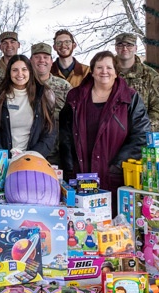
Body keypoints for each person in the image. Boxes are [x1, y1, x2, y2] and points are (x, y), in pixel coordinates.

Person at [58, 51, 149, 210]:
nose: (104, 71)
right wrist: (70, 166)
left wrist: (117, 166)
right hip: (80, 175)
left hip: (115, 176)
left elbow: (141, 136)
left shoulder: (130, 98)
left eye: (109, 67)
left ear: (116, 72)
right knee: (82, 220)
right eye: (99, 67)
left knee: (114, 220)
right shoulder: (75, 96)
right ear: (92, 71)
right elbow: (65, 134)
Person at [0, 54, 55, 157]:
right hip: (3, 159)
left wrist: (31, 156)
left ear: (30, 71)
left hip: (33, 159)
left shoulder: (43, 94)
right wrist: (2, 156)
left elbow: (50, 132)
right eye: (15, 70)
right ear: (9, 72)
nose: (20, 74)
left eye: (24, 69)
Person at [114, 32, 159, 131]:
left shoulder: (149, 75)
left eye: (129, 45)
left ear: (136, 48)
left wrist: (145, 129)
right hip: (111, 132)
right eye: (120, 45)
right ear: (115, 48)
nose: (124, 48)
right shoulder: (106, 73)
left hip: (141, 132)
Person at [30, 42, 71, 163]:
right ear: (30, 61)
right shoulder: (23, 86)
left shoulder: (64, 86)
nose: (42, 60)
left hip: (58, 152)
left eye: (45, 57)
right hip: (29, 150)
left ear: (51, 61)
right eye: (37, 57)